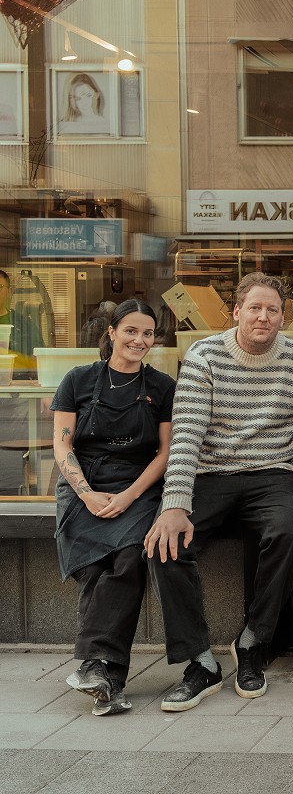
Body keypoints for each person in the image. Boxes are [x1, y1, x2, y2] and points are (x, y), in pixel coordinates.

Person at [144, 272, 293, 712]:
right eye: (254, 308)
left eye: (273, 309)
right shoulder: (205, 355)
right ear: (236, 312)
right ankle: (199, 661)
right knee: (164, 544)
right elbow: (188, 434)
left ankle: (253, 641)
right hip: (211, 473)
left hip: (274, 475)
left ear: (283, 316)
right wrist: (174, 503)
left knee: (292, 531)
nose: (264, 317)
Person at [52, 299, 175, 715]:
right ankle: (106, 678)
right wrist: (85, 493)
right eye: (131, 331)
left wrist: (129, 495)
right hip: (83, 483)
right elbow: (62, 444)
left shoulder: (161, 386)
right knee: (94, 568)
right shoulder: (79, 379)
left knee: (129, 558)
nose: (139, 340)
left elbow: (164, 453)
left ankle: (95, 667)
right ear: (112, 332)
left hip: (136, 485)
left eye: (147, 333)